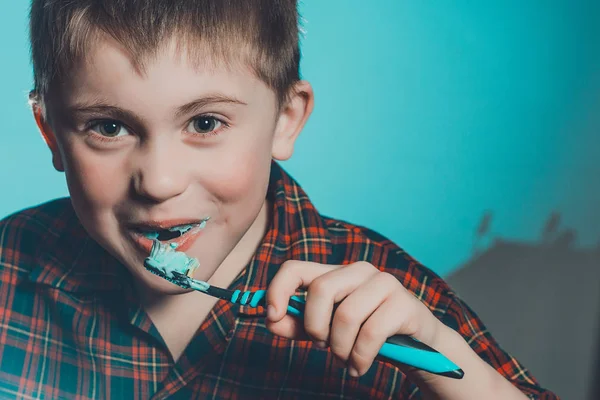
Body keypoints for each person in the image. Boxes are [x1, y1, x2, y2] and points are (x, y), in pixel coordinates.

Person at [0, 1, 558, 399]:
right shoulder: (9, 267)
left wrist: (450, 366)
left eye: (205, 122)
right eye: (108, 127)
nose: (160, 182)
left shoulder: (395, 303)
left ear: (285, 121)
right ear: (51, 133)